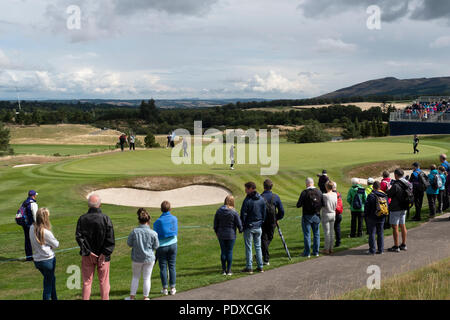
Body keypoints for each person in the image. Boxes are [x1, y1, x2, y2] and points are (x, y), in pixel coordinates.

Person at [75, 194, 115, 300]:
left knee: (87, 282)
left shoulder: (82, 219)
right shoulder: (105, 218)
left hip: (89, 255)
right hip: (101, 256)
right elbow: (110, 239)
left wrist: (88, 252)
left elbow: (79, 238)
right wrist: (104, 253)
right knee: (104, 282)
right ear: (100, 204)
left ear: (89, 205)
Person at [126, 208, 159, 301]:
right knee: (146, 278)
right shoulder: (153, 233)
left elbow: (129, 243)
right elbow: (156, 246)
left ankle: (132, 297)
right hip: (149, 258)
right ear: (148, 220)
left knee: (135, 277)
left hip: (137, 258)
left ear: (139, 220)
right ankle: (146, 297)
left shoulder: (134, 231)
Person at [29, 208, 59, 300]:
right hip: (47, 261)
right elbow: (56, 244)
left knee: (51, 280)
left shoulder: (31, 227)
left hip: (37, 260)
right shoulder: (46, 232)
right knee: (47, 287)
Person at [240, 181, 266, 273]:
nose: (245, 190)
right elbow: (264, 213)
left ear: (251, 188)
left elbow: (243, 214)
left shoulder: (248, 200)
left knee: (249, 247)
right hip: (258, 226)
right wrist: (261, 222)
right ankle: (260, 266)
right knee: (258, 247)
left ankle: (249, 267)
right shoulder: (261, 199)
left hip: (249, 227)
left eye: (246, 188)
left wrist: (242, 226)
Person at [153, 201, 178, 296]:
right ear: (170, 209)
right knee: (172, 266)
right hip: (173, 244)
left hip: (162, 246)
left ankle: (165, 289)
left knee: (163, 267)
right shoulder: (174, 219)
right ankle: (173, 288)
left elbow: (156, 235)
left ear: (161, 209)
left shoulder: (157, 222)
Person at [214, 195, 243, 275]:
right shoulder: (234, 212)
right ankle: (229, 270)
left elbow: (215, 223)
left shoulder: (219, 210)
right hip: (231, 234)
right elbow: (239, 223)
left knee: (223, 251)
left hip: (221, 233)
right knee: (229, 251)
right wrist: (241, 229)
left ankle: (223, 270)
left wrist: (216, 231)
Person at [260, 179, 285, 265]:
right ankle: (265, 259)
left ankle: (263, 254)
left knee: (264, 239)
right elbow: (281, 211)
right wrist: (277, 218)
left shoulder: (260, 197)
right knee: (268, 238)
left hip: (263, 221)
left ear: (264, 187)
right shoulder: (276, 197)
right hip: (272, 222)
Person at [296, 178, 323, 258]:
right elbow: (323, 203)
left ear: (307, 184)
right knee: (316, 234)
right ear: (313, 183)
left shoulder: (304, 192)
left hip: (307, 216)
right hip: (316, 215)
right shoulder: (319, 191)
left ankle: (307, 253)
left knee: (307, 235)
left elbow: (298, 205)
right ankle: (316, 252)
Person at [386, 169, 410, 252]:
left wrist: (389, 188)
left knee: (395, 227)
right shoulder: (407, 183)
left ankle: (396, 246)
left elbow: (388, 194)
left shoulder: (396, 185)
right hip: (404, 206)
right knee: (402, 225)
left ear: (396, 175)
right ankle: (403, 244)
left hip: (396, 207)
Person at [364, 182, 387, 255]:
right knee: (380, 233)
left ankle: (372, 250)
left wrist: (366, 215)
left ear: (373, 187)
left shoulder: (371, 195)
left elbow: (367, 207)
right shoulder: (384, 195)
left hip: (372, 216)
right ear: (379, 187)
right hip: (382, 216)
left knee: (372, 233)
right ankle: (381, 250)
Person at [21, 190, 39, 261]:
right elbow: (35, 215)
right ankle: (37, 255)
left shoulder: (25, 202)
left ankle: (29, 257)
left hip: (24, 224)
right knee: (35, 239)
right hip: (31, 225)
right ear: (33, 196)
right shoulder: (33, 204)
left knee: (27, 240)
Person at [321, 181, 337, 255]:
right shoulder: (335, 194)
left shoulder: (325, 195)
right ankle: (331, 248)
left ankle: (327, 249)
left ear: (327, 187)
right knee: (332, 232)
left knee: (327, 232)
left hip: (326, 213)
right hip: (333, 213)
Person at [332, 182, 343, 247]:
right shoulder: (338, 194)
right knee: (337, 228)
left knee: (332, 229)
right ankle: (338, 241)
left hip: (334, 213)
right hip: (339, 213)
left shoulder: (332, 194)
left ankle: (333, 242)